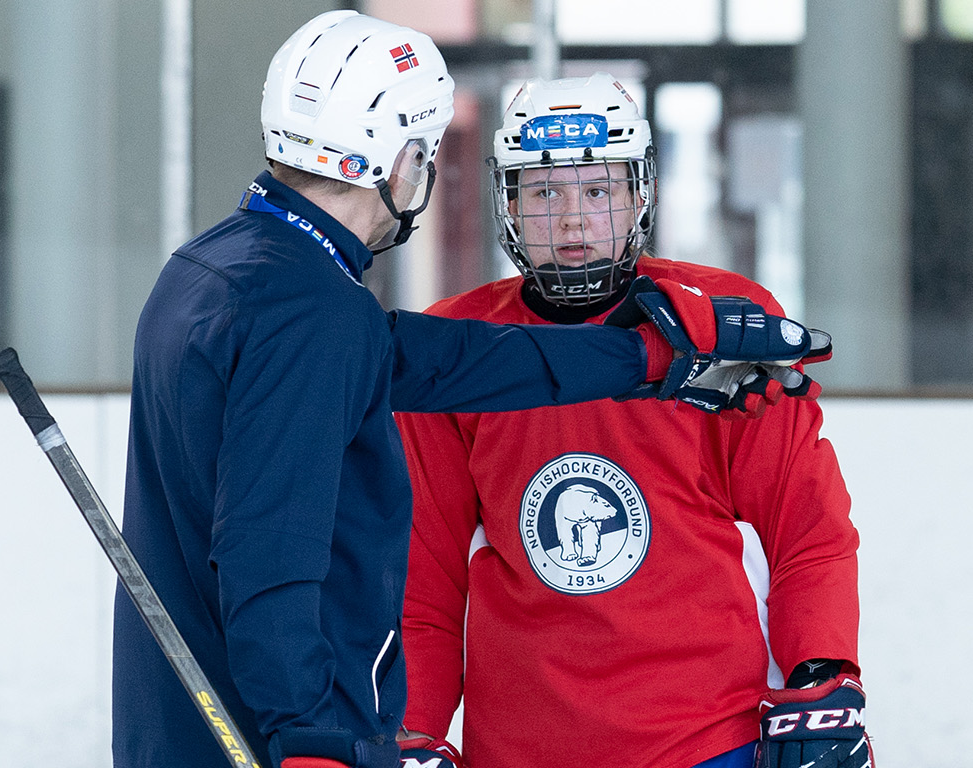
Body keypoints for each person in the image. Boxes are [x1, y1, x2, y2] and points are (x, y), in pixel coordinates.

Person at [116, 15, 826, 768]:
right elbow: (268, 552)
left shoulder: (218, 269)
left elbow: (440, 360)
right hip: (271, 741)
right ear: (405, 159)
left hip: (182, 729)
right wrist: (314, 738)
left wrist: (652, 357)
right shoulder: (307, 311)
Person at [396, 73, 871, 768]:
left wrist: (822, 677)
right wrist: (414, 733)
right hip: (522, 750)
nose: (572, 219)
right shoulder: (457, 348)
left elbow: (810, 532)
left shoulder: (723, 322)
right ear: (509, 204)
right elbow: (421, 589)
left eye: (597, 189)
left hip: (707, 743)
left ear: (638, 194)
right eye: (544, 192)